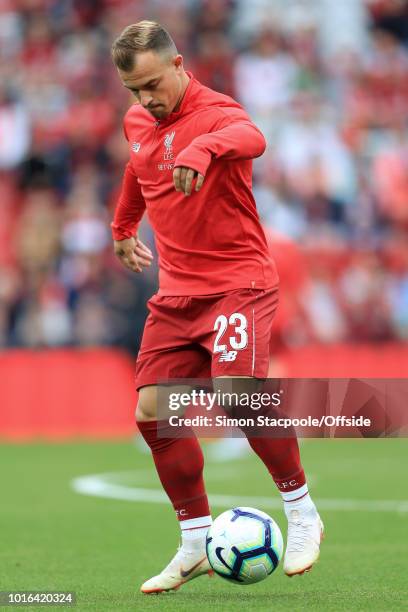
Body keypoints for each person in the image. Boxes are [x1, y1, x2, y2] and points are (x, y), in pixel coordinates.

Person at [110, 20, 323, 594]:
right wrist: (124, 226)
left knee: (237, 395)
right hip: (177, 293)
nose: (146, 99)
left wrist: (204, 147)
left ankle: (302, 513)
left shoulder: (218, 112)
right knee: (153, 412)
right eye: (135, 90)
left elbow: (253, 137)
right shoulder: (140, 121)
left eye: (154, 83)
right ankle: (195, 541)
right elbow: (138, 167)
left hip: (238, 283)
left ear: (178, 65)